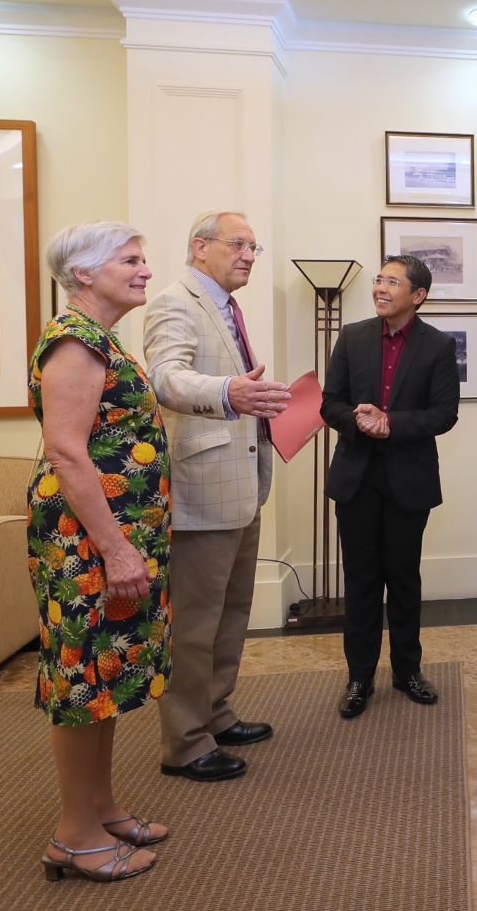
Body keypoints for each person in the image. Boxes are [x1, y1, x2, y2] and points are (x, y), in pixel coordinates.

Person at [29, 221, 171, 882]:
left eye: (144, 259)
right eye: (130, 260)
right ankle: (75, 834)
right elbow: (65, 450)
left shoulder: (100, 339)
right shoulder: (74, 343)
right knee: (83, 677)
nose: (145, 270)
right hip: (87, 540)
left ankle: (100, 805)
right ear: (83, 273)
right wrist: (115, 549)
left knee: (106, 672)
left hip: (112, 534)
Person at [144, 211, 290, 781]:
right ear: (199, 247)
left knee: (231, 616)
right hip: (200, 490)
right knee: (196, 625)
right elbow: (164, 377)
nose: (250, 255)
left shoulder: (227, 306)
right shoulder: (175, 301)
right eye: (238, 244)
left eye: (255, 246)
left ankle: (216, 712)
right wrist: (230, 391)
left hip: (240, 486)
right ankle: (184, 741)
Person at [322, 254, 460, 719]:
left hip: (408, 479)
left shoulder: (438, 346)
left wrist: (392, 424)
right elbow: (329, 404)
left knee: (404, 580)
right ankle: (359, 678)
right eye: (379, 280)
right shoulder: (352, 336)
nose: (381, 288)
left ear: (417, 296)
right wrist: (360, 421)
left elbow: (445, 414)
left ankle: (407, 671)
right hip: (356, 477)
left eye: (392, 282)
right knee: (361, 582)